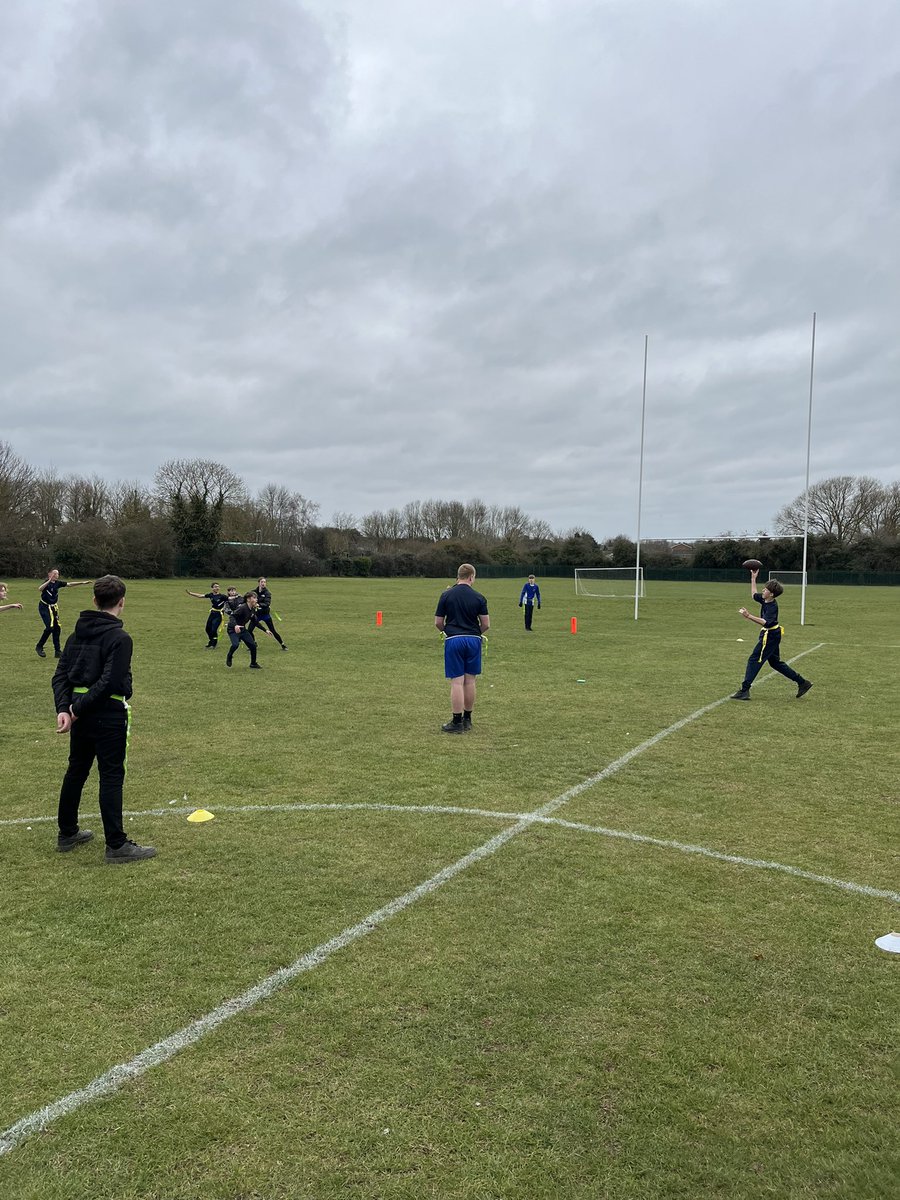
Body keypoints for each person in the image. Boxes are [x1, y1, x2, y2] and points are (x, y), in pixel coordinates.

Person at [51, 574, 157, 863]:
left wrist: (68, 708)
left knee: (77, 770)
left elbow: (61, 676)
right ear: (122, 602)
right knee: (110, 775)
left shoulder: (76, 635)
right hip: (105, 714)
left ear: (95, 600)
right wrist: (70, 709)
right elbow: (110, 682)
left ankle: (67, 833)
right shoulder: (120, 638)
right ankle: (116, 844)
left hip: (81, 714)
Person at [731, 570, 813, 701]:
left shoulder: (772, 606)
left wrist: (748, 616)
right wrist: (753, 578)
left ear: (772, 594)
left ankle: (744, 690)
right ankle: (803, 683)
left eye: (766, 589)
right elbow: (753, 595)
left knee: (754, 660)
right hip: (773, 634)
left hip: (770, 635)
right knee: (775, 663)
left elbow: (765, 622)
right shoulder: (765, 600)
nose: (763, 590)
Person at [434, 563, 490, 733]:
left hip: (454, 639)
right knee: (470, 680)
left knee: (457, 682)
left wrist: (448, 632)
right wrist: (474, 633)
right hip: (473, 640)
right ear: (472, 577)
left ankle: (456, 721)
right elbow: (486, 624)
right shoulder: (479, 597)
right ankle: (468, 719)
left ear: (458, 576)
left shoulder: (446, 595)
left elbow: (438, 622)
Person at [36, 568, 92, 657]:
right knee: (50, 628)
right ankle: (39, 646)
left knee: (57, 628)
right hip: (44, 607)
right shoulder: (46, 582)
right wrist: (49, 581)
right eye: (54, 574)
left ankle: (57, 651)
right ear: (49, 574)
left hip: (54, 607)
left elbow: (69, 584)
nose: (56, 575)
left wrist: (82, 582)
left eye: (57, 574)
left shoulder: (58, 583)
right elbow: (40, 589)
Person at [226, 590, 272, 668]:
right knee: (235, 645)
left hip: (243, 630)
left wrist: (265, 630)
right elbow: (232, 616)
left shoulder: (253, 609)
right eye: (254, 598)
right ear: (248, 599)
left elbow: (255, 622)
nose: (256, 600)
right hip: (233, 629)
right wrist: (235, 626)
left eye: (256, 598)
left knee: (253, 646)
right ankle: (229, 656)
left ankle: (253, 664)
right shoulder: (243, 607)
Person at [185, 582, 228, 648]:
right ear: (212, 588)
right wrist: (190, 593)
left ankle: (214, 644)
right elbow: (200, 596)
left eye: (218, 587)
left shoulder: (222, 596)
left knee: (213, 629)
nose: (217, 588)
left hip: (219, 614)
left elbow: (231, 599)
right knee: (207, 629)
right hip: (212, 613)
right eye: (215, 587)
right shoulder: (210, 595)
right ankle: (211, 641)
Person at [252, 577, 287, 650]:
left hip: (265, 615)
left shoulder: (267, 593)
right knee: (249, 630)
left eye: (264, 582)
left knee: (273, 631)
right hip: (256, 615)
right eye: (262, 582)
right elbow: (247, 599)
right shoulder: (254, 592)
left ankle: (283, 645)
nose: (263, 583)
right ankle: (253, 643)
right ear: (259, 583)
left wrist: (259, 604)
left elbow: (267, 604)